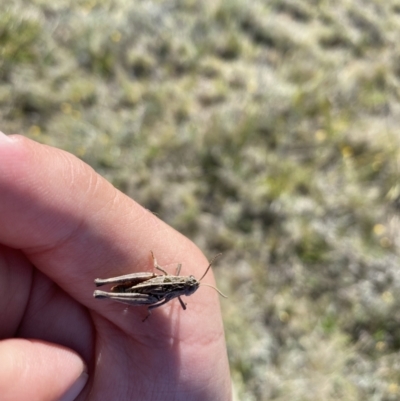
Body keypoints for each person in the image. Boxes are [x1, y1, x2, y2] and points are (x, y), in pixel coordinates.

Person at [0, 132, 231, 401]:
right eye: (190, 284)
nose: (189, 286)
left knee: (151, 289)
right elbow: (157, 297)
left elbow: (157, 298)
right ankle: (104, 289)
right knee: (150, 283)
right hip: (145, 285)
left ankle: (105, 291)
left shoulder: (174, 289)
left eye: (189, 286)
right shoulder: (176, 293)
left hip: (148, 291)